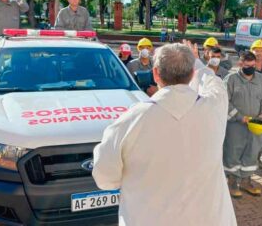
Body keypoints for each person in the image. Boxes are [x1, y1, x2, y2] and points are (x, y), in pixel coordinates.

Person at [93, 43, 237, 226]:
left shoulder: (130, 121)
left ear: (155, 74)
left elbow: (104, 178)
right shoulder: (214, 106)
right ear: (192, 74)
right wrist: (198, 63)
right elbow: (214, 83)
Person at [223, 51, 262, 198]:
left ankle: (246, 181)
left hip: (256, 126)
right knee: (233, 153)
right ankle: (232, 183)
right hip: (235, 126)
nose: (250, 68)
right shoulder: (231, 80)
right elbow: (225, 102)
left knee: (252, 152)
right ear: (240, 64)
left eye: (252, 65)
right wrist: (239, 117)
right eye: (246, 65)